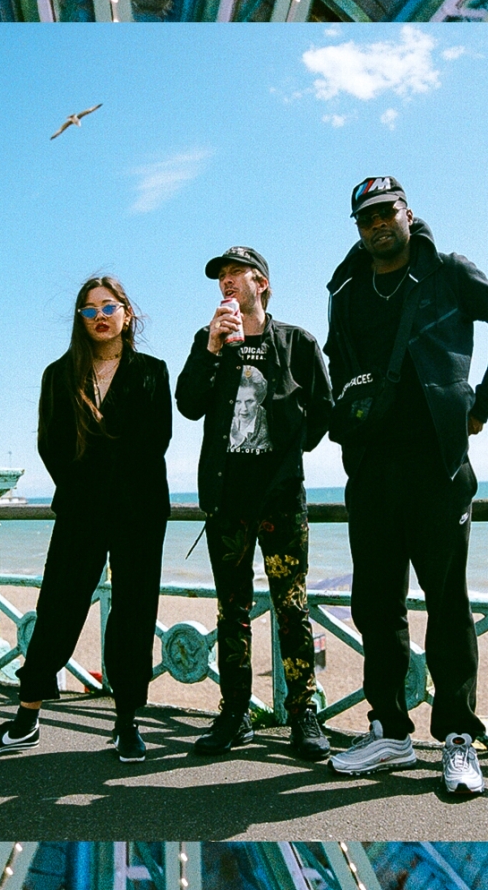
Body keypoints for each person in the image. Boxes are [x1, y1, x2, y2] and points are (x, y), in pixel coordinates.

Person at [323, 177, 488, 795]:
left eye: (387, 211)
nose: (378, 223)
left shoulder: (449, 271)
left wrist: (482, 404)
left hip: (438, 466)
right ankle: (389, 731)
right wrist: (348, 424)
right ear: (358, 228)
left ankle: (459, 738)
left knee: (447, 602)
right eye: (366, 218)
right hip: (370, 469)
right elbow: (338, 361)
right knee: (375, 605)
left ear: (407, 213)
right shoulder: (345, 287)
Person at [0, 276, 171, 763]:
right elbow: (51, 446)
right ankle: (26, 719)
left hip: (140, 511)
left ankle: (127, 722)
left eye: (109, 307)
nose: (100, 316)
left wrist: (111, 480)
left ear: (127, 314)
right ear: (80, 319)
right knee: (58, 607)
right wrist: (91, 487)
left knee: (134, 613)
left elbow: (156, 440)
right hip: (81, 509)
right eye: (89, 309)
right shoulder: (59, 374)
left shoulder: (152, 371)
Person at [175, 246, 334, 761]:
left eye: (235, 273)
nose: (225, 282)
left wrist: (288, 453)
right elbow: (188, 403)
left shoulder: (296, 341)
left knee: (292, 608)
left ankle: (303, 714)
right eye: (220, 276)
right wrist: (211, 349)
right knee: (232, 612)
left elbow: (324, 408)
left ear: (260, 283)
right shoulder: (209, 341)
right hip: (227, 503)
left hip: (281, 501)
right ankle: (234, 713)